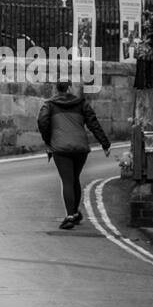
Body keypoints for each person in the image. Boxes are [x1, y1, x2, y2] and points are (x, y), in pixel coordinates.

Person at [37, 81, 110, 229]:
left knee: (67, 181)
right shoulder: (81, 103)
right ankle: (75, 213)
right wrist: (105, 143)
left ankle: (70, 216)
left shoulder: (49, 105)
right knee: (74, 178)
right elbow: (93, 123)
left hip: (60, 147)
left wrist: (48, 138)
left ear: (56, 89)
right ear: (70, 88)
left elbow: (42, 121)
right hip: (80, 148)